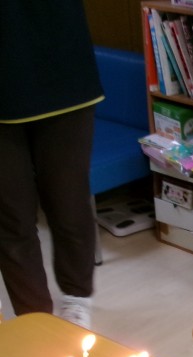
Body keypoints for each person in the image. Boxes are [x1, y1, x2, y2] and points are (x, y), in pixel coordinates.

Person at [0, 1, 104, 328]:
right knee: (11, 218)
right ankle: (35, 321)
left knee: (69, 205)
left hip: (63, 73)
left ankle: (76, 299)